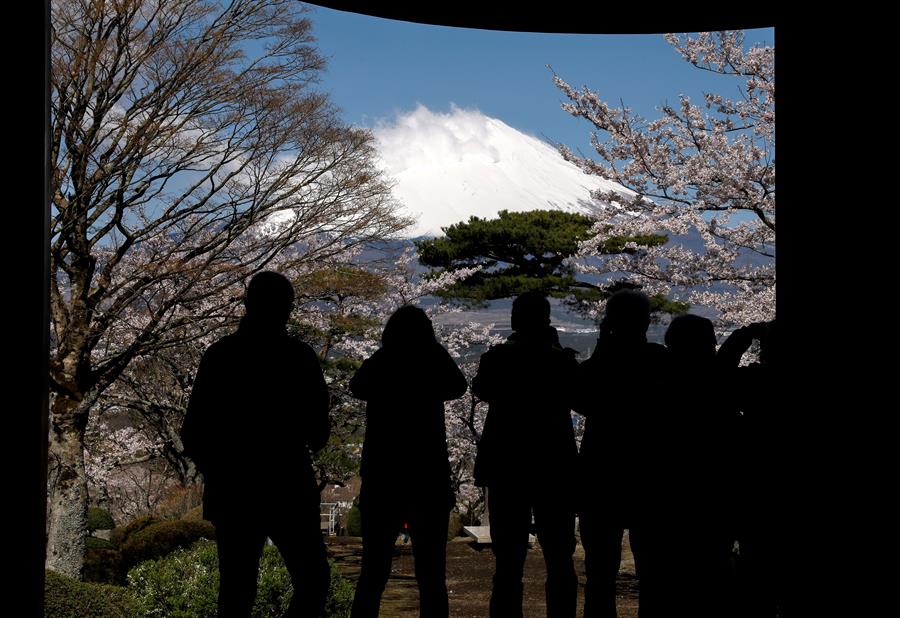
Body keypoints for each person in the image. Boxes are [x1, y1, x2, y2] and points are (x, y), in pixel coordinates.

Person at [181, 271, 331, 617]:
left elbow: (193, 431)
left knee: (235, 591)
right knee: (313, 580)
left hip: (233, 490)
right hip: (289, 484)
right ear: (288, 309)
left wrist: (218, 468)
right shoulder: (299, 357)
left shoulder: (219, 356)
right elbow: (319, 432)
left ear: (247, 304)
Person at [348, 305, 468, 618]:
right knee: (431, 576)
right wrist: (433, 349)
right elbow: (458, 385)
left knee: (372, 574)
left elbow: (356, 385)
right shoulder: (432, 360)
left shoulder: (383, 362)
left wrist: (385, 353)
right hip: (428, 478)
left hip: (382, 477)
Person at [472, 291, 579, 618]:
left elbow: (480, 388)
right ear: (547, 320)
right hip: (555, 466)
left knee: (508, 561)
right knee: (560, 557)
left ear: (515, 321)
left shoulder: (497, 358)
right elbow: (579, 396)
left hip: (506, 466)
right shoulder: (561, 360)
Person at [573, 289, 668, 618]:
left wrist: (603, 346)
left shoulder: (594, 368)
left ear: (608, 322)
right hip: (651, 474)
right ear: (646, 321)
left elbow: (580, 399)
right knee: (655, 574)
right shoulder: (661, 361)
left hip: (601, 472)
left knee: (599, 574)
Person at [656, 313, 739, 616]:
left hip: (666, 491)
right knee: (715, 564)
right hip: (716, 490)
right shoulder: (723, 384)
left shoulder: (658, 382)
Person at [716, 319, 783, 617]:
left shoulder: (756, 381)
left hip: (753, 481)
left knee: (755, 559)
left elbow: (719, 376)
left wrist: (744, 335)